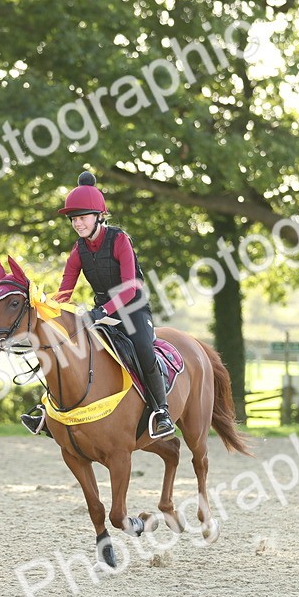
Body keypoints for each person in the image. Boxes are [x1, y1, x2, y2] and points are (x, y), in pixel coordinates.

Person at [21, 171, 176, 439]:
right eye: (74, 219)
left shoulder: (119, 240)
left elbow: (129, 288)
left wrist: (101, 312)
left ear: (98, 216)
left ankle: (161, 411)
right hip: (101, 313)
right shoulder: (78, 250)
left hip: (133, 309)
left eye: (82, 218)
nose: (77, 224)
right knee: (62, 349)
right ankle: (49, 413)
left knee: (141, 347)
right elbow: (65, 291)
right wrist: (42, 306)